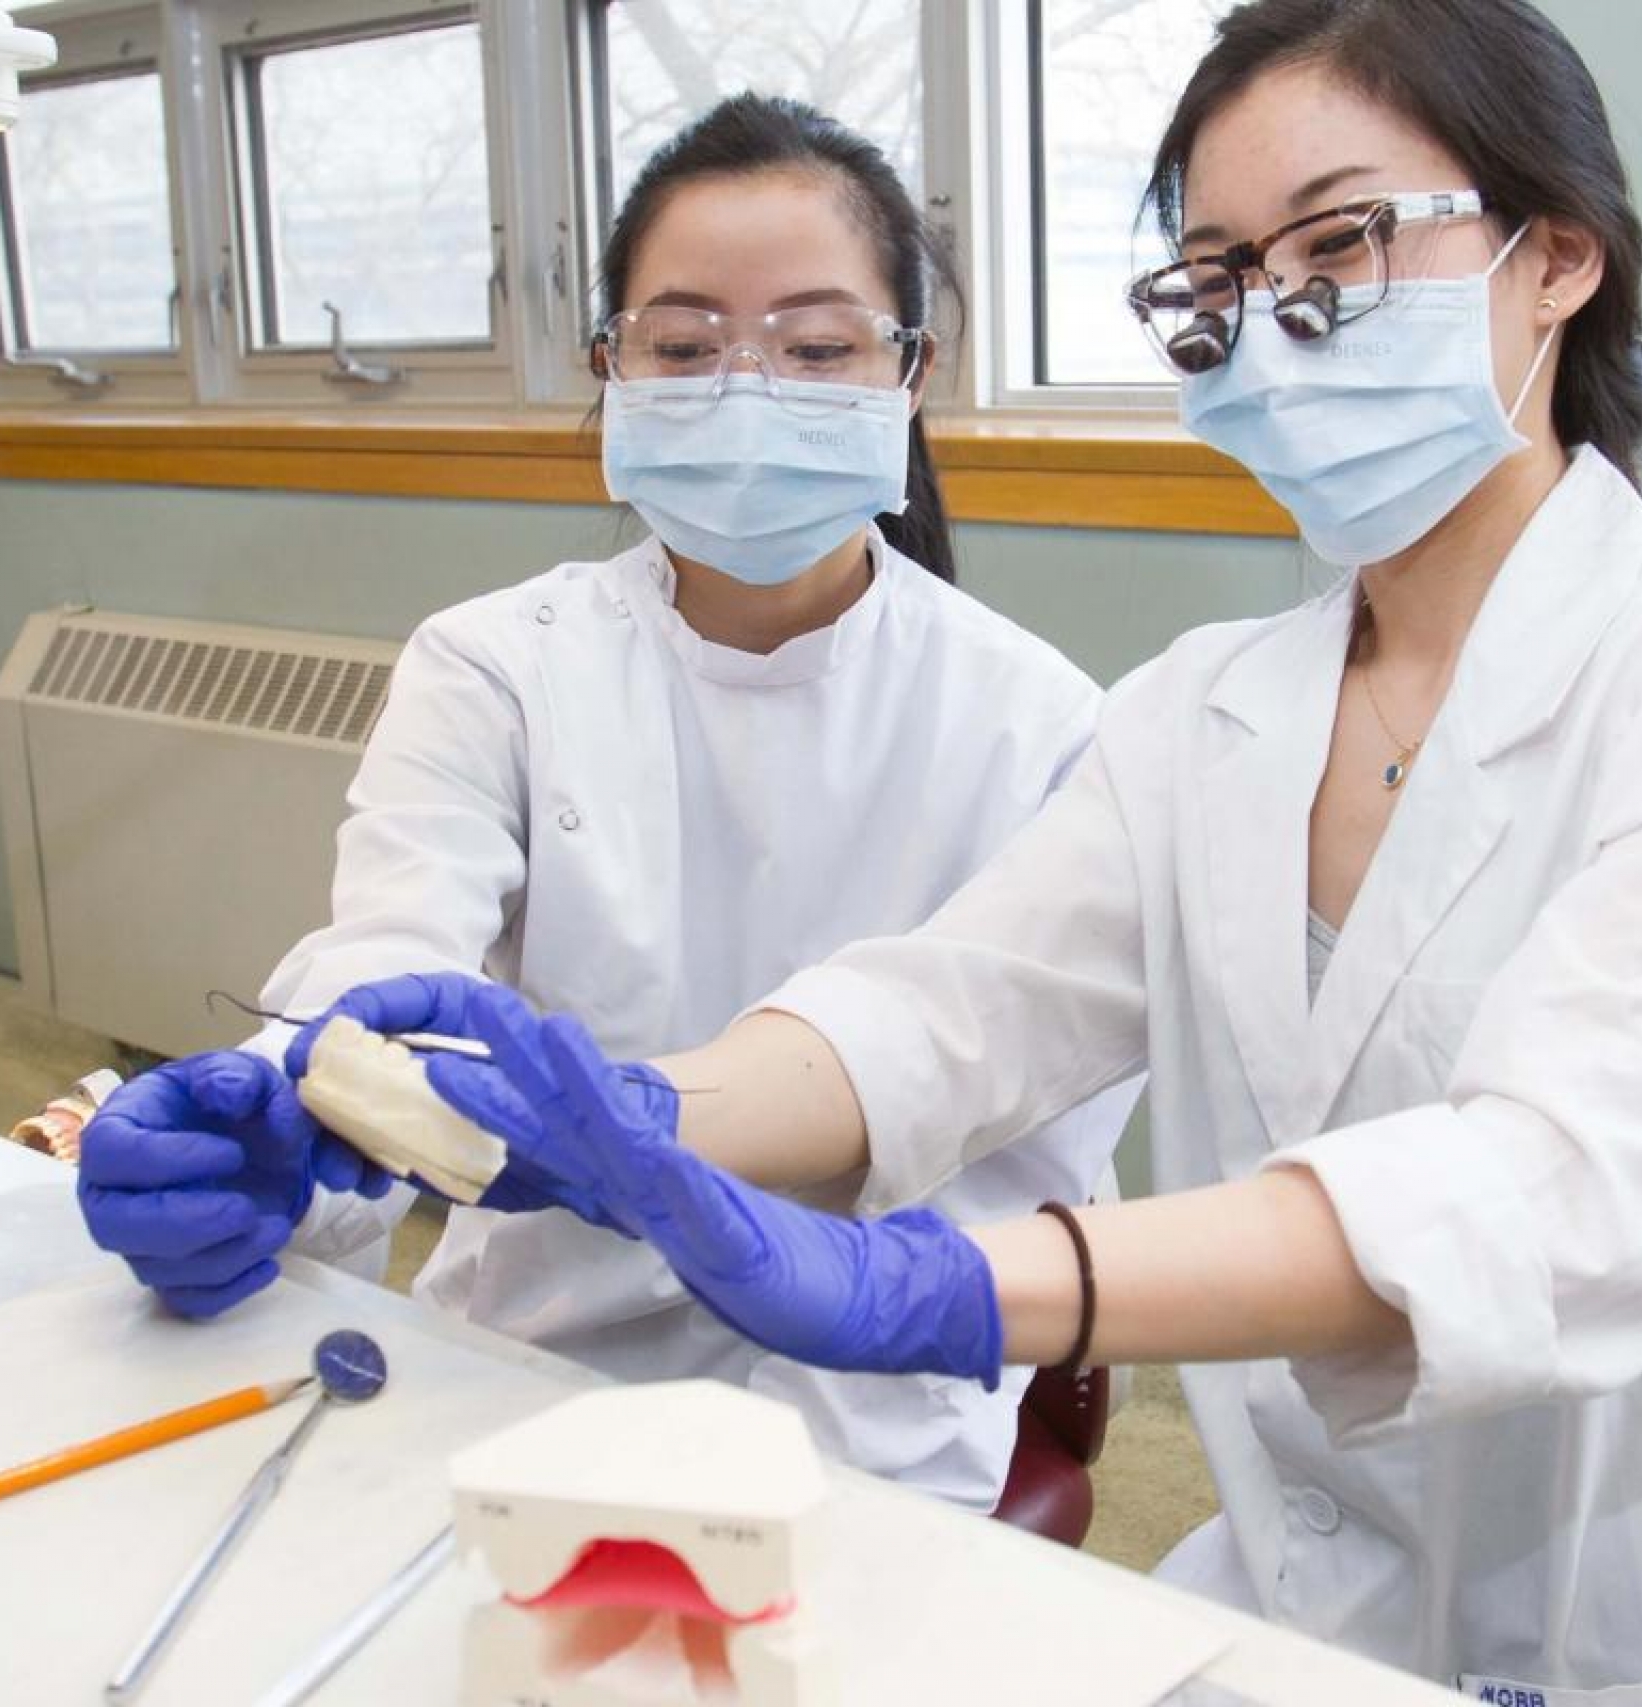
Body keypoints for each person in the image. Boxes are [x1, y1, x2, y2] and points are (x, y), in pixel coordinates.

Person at [314, 0, 1642, 1698]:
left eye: (1341, 245)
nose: (1278, 322)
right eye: (1222, 275)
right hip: (1292, 1607)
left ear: (1558, 258)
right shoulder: (1205, 713)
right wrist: (612, 1120)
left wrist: (954, 1286)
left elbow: (1556, 1193)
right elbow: (949, 1013)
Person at [70, 94, 1132, 1512]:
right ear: (612, 368)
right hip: (530, 1360)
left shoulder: (1042, 722)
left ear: (911, 370)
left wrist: (645, 1136)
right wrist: (280, 1126)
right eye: (685, 348)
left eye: (818, 349)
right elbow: (395, 960)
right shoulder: (497, 665)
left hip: (868, 1405)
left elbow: (1011, 1119)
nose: (747, 392)